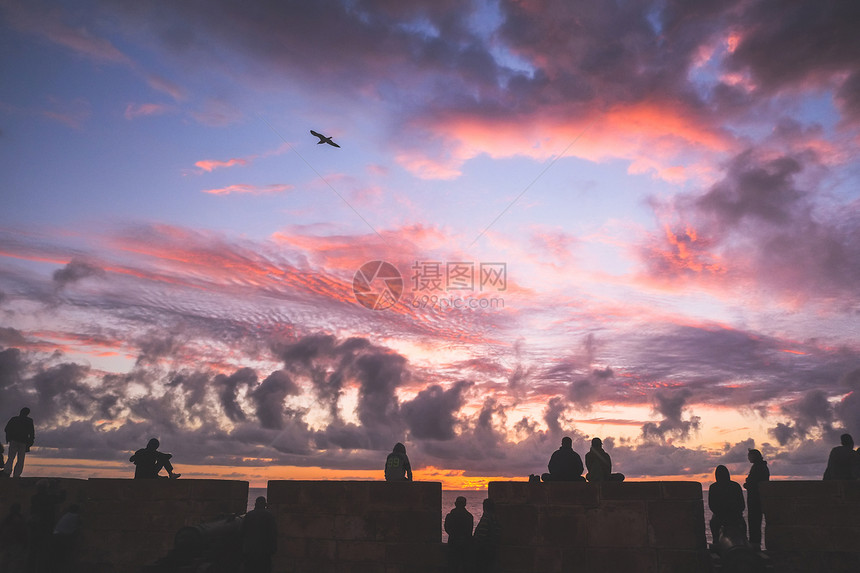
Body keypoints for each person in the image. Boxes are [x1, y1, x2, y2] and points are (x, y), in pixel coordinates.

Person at [29, 479, 66, 573]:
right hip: (47, 526)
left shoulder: (34, 498)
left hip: (36, 527)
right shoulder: (49, 498)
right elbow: (61, 498)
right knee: (45, 551)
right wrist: (61, 489)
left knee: (35, 551)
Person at [708, 465, 746, 545]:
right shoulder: (735, 486)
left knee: (713, 524)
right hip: (735, 516)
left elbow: (712, 505)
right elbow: (742, 504)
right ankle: (745, 541)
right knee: (742, 525)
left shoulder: (713, 487)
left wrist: (720, 513)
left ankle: (716, 542)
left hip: (720, 516)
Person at [241, 496, 277, 573]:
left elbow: (242, 531)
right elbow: (273, 533)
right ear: (265, 504)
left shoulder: (248, 515)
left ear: (255, 504)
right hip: (264, 550)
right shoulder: (270, 516)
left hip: (250, 550)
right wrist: (273, 548)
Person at [744, 449, 769, 549]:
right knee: (755, 521)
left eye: (750, 456)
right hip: (757, 497)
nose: (748, 458)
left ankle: (754, 543)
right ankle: (755, 542)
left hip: (755, 498)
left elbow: (753, 483)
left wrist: (747, 483)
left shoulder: (758, 467)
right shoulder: (761, 467)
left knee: (754, 521)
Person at [444, 496, 473, 573]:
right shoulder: (469, 516)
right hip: (465, 544)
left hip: (453, 543)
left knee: (452, 565)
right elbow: (469, 531)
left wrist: (454, 536)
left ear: (456, 504)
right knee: (464, 566)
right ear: (465, 504)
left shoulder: (450, 516)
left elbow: (447, 528)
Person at [4, 407, 35, 478]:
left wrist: (9, 438)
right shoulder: (29, 421)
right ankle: (16, 474)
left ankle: (7, 472)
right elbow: (32, 433)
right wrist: (30, 442)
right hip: (23, 442)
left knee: (11, 457)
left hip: (14, 441)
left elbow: (7, 429)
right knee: (20, 459)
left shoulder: (14, 419)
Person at [473, 498, 501, 573]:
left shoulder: (486, 518)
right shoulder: (495, 518)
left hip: (484, 549)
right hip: (492, 548)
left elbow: (482, 535)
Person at [0, 502, 27, 573]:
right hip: (15, 543)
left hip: (9, 543)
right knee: (13, 561)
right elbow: (22, 532)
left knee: (6, 560)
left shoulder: (6, 519)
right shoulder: (18, 520)